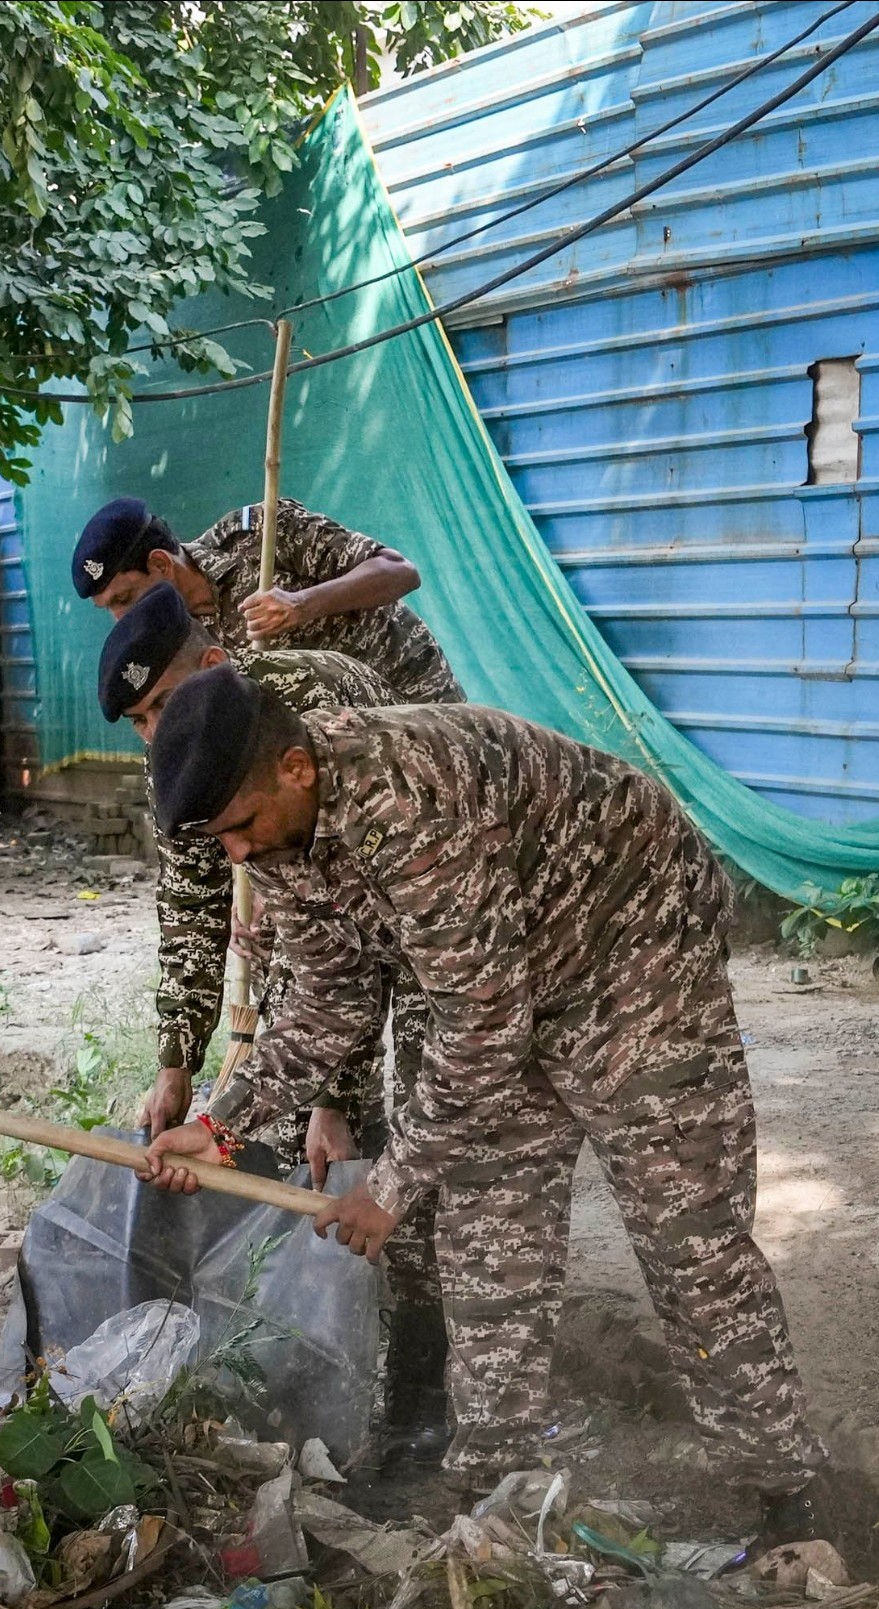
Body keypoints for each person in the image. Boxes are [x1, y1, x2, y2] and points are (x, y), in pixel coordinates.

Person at [135, 665, 811, 1472]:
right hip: (497, 973)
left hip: (629, 948)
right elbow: (328, 993)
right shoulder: (281, 831)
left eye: (240, 825)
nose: (239, 851)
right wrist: (221, 1123)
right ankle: (500, 1490)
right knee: (489, 1239)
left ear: (297, 767)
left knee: (685, 1233)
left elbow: (483, 1026)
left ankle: (783, 1487)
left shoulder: (406, 802)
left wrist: (388, 1186)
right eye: (220, 839)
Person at [98, 597, 450, 1452]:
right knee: (323, 1147)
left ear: (215, 659)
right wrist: (180, 1062)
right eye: (139, 721)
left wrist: (337, 1092)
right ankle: (349, 1361)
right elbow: (192, 908)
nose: (155, 731)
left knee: (412, 1139)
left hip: (431, 907)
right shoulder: (183, 761)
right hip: (331, 957)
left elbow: (352, 951)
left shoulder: (309, 704)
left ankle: (423, 1374)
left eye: (162, 704)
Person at [70, 492, 462, 707]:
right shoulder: (171, 639)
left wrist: (303, 604)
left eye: (124, 598)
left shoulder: (257, 535)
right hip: (347, 753)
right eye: (110, 608)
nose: (122, 619)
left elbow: (399, 571)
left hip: (418, 697)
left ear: (160, 563)